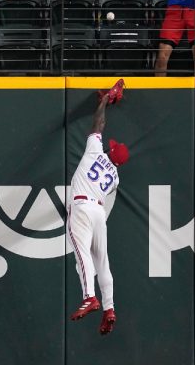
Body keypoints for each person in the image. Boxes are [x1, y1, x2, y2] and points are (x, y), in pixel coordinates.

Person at [68, 82, 128, 336]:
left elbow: (98, 126)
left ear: (109, 151)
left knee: (81, 255)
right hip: (98, 213)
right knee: (102, 263)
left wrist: (104, 102)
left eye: (110, 147)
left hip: (82, 207)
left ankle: (90, 297)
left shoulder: (95, 152)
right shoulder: (115, 178)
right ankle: (109, 309)